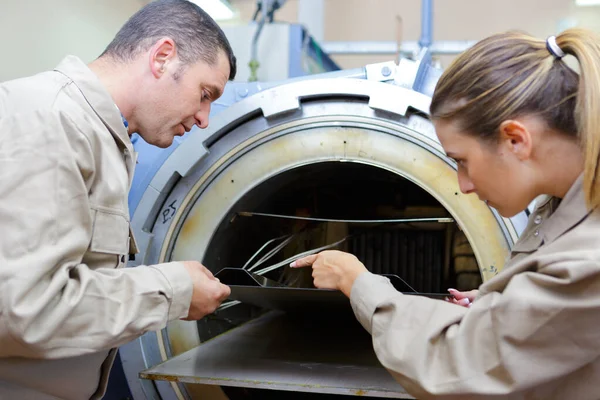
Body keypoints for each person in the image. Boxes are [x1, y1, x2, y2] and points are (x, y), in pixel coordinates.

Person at [292, 28, 600, 399]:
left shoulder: (589, 258)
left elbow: (457, 364)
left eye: (462, 161)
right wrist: (501, 308)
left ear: (516, 140)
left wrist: (357, 282)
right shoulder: (566, 203)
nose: (463, 184)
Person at [0, 1, 235, 399]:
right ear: (162, 57)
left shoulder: (106, 140)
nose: (204, 119)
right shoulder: (50, 119)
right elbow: (25, 310)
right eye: (204, 93)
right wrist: (173, 290)